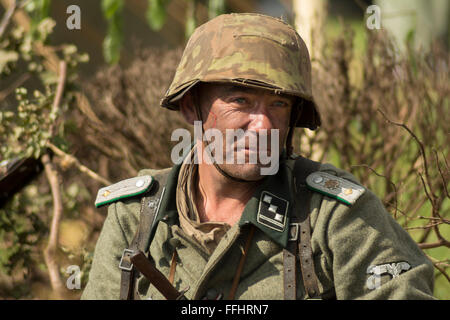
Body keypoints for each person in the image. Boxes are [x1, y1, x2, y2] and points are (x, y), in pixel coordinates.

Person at [81, 13, 435, 300]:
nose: (263, 124)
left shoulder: (331, 216)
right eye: (241, 101)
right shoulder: (138, 217)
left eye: (278, 104)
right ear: (191, 107)